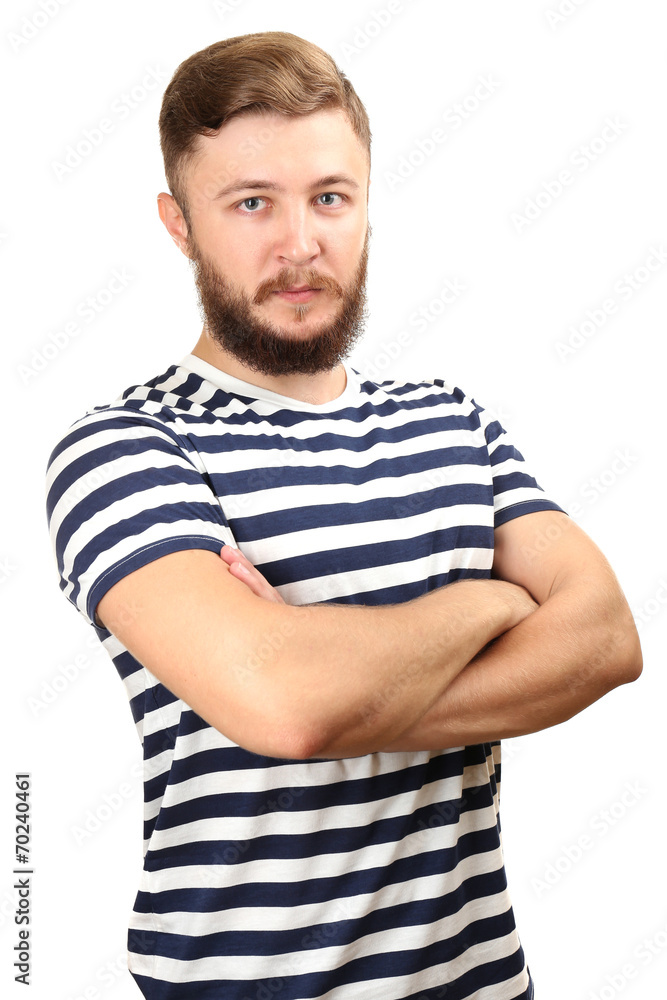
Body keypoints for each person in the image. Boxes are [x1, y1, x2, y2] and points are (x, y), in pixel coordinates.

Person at [45, 30, 642, 1000]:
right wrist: (489, 602)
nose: (299, 242)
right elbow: (289, 705)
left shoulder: (451, 419)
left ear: (365, 205)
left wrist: (323, 685)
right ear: (179, 224)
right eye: (250, 204)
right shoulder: (126, 447)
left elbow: (608, 637)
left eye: (330, 196)